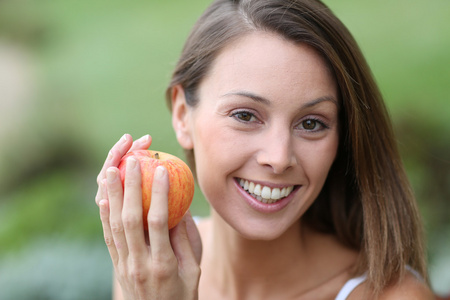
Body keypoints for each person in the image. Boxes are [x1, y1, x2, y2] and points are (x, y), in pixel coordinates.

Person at [94, 0, 436, 299]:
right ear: (183, 115)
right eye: (245, 115)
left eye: (312, 123)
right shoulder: (151, 268)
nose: (278, 157)